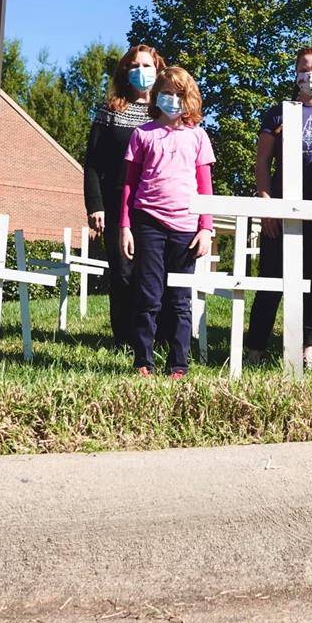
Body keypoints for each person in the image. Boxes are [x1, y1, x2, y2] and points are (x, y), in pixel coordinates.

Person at [245, 47, 312, 371]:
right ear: (296, 73)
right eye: (304, 69)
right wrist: (266, 205)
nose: (309, 75)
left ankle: (308, 353)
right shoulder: (278, 114)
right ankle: (255, 352)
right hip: (281, 214)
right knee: (271, 281)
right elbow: (263, 161)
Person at [119, 66, 215, 378]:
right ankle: (143, 361)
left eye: (179, 95)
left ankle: (179, 364)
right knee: (148, 295)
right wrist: (125, 226)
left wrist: (206, 228)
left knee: (179, 300)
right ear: (156, 96)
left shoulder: (198, 137)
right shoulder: (142, 134)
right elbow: (129, 186)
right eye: (167, 94)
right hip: (148, 223)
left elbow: (205, 187)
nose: (173, 100)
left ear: (189, 99)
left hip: (186, 228)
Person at [84, 44, 166, 348]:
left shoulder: (165, 111)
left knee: (154, 271)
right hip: (118, 201)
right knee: (123, 271)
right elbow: (93, 163)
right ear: (124, 71)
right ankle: (124, 338)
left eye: (147, 66)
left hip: (157, 202)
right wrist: (96, 205)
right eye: (135, 66)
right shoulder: (109, 111)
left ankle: (156, 337)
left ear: (158, 70)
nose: (141, 72)